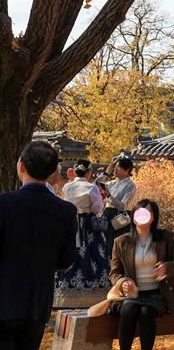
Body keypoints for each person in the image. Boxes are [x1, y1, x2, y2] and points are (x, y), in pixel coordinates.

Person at [0, 141, 78, 350]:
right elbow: (65, 259)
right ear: (53, 172)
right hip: (38, 300)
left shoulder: (4, 204)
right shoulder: (66, 211)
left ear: (21, 166)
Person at [109, 200, 174, 350]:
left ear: (154, 217)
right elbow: (114, 273)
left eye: (148, 212)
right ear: (133, 216)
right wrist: (123, 282)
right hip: (131, 295)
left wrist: (166, 267)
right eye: (140, 211)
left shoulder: (165, 238)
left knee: (146, 312)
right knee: (128, 310)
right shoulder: (121, 242)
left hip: (156, 294)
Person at [55, 161, 111, 307]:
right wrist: (103, 198)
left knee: (70, 253)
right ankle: (94, 293)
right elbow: (97, 209)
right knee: (94, 254)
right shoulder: (91, 187)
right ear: (88, 172)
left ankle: (65, 292)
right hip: (86, 223)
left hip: (71, 224)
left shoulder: (67, 186)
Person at [99, 157, 137, 257]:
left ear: (127, 170)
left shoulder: (130, 185)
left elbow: (122, 207)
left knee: (116, 247)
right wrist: (107, 172)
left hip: (120, 218)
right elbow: (95, 186)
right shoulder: (111, 183)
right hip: (106, 215)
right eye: (115, 167)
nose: (115, 169)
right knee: (103, 246)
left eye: (118, 167)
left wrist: (109, 196)